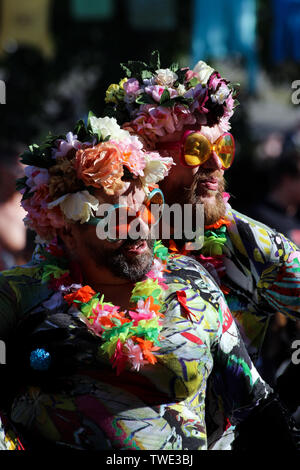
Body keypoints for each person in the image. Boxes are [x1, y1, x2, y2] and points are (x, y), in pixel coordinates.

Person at [0, 114, 295, 451]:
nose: (138, 226)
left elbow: (254, 403)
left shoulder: (192, 282)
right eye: (117, 218)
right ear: (67, 228)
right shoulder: (18, 296)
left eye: (146, 208)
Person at [103, 51, 300, 448]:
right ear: (148, 154)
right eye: (195, 148)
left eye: (223, 148)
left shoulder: (248, 244)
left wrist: (288, 401)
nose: (214, 163)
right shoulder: (100, 231)